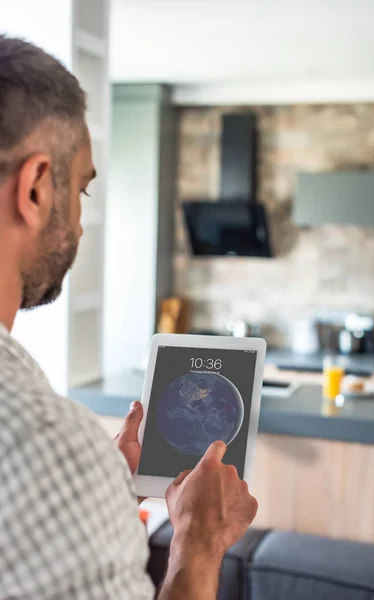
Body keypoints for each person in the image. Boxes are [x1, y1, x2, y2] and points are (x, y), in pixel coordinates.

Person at [0, 34, 258, 599]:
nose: (83, 224)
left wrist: (101, 492)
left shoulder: (56, 461)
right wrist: (197, 541)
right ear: (37, 189)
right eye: (82, 191)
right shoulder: (45, 443)